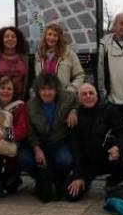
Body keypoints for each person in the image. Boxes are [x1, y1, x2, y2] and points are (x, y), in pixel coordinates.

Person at [18, 72, 79, 202]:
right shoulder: (30, 105)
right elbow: (29, 131)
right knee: (23, 158)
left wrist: (74, 111)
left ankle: (58, 179)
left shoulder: (68, 98)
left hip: (59, 142)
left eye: (50, 89)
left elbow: (79, 102)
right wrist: (36, 148)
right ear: (37, 90)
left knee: (65, 160)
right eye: (43, 89)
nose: (47, 93)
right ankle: (42, 179)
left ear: (56, 89)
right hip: (40, 143)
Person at [66, 83, 123, 201]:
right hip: (88, 162)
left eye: (91, 93)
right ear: (79, 98)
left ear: (97, 95)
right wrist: (78, 176)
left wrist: (118, 148)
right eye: (84, 94)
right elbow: (76, 149)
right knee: (71, 195)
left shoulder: (109, 109)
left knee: (122, 165)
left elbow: (121, 133)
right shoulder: (75, 116)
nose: (88, 96)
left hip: (108, 157)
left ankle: (115, 178)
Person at [0, 26, 33, 101]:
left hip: (20, 100)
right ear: (1, 40)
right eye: (7, 36)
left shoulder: (27, 59)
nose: (10, 39)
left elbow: (30, 80)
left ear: (18, 40)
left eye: (13, 37)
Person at [34, 23, 85, 94]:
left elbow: (80, 75)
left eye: (55, 35)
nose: (52, 38)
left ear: (59, 38)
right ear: (45, 36)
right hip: (43, 96)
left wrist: (71, 90)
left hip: (63, 97)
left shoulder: (69, 53)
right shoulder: (39, 54)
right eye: (49, 34)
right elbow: (36, 77)